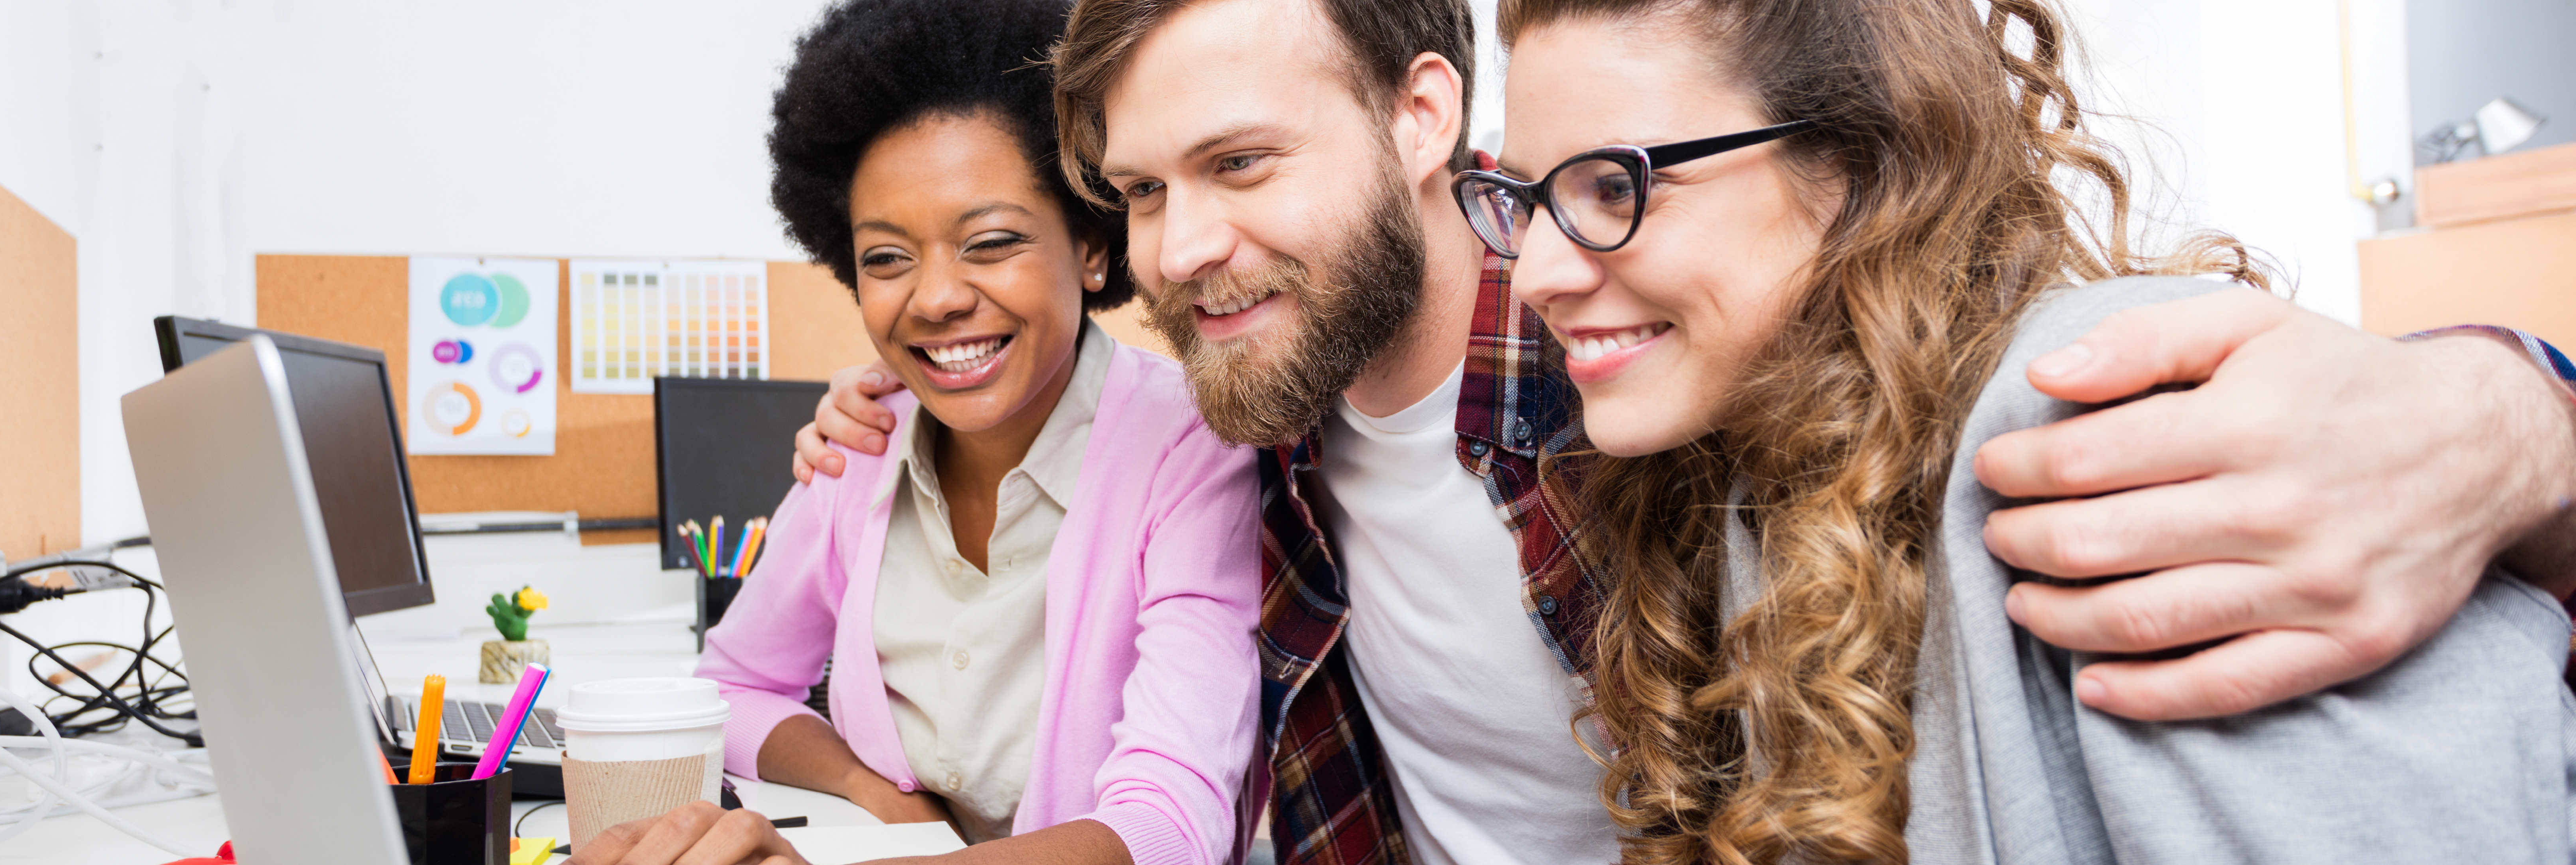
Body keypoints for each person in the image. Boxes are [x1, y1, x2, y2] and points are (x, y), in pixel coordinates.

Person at [795, 1, 2576, 863]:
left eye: (1242, 165)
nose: (1177, 252)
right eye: (1138, 193)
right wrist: (869, 427)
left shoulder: (1650, 372)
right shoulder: (1250, 425)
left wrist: (2519, 404)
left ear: (1427, 120)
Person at [1481, 0, 2576, 861]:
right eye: (1524, 199)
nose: (1534, 272)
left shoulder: (2106, 420)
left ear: (1858, 162)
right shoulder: (1742, 459)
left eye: (1612, 184)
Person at [569, 1, 1261, 863]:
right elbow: (736, 684)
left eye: (991, 241)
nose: (934, 298)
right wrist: (874, 793)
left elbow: (1169, 825)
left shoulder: (1192, 446)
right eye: (887, 258)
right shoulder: (861, 443)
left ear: (1090, 244)